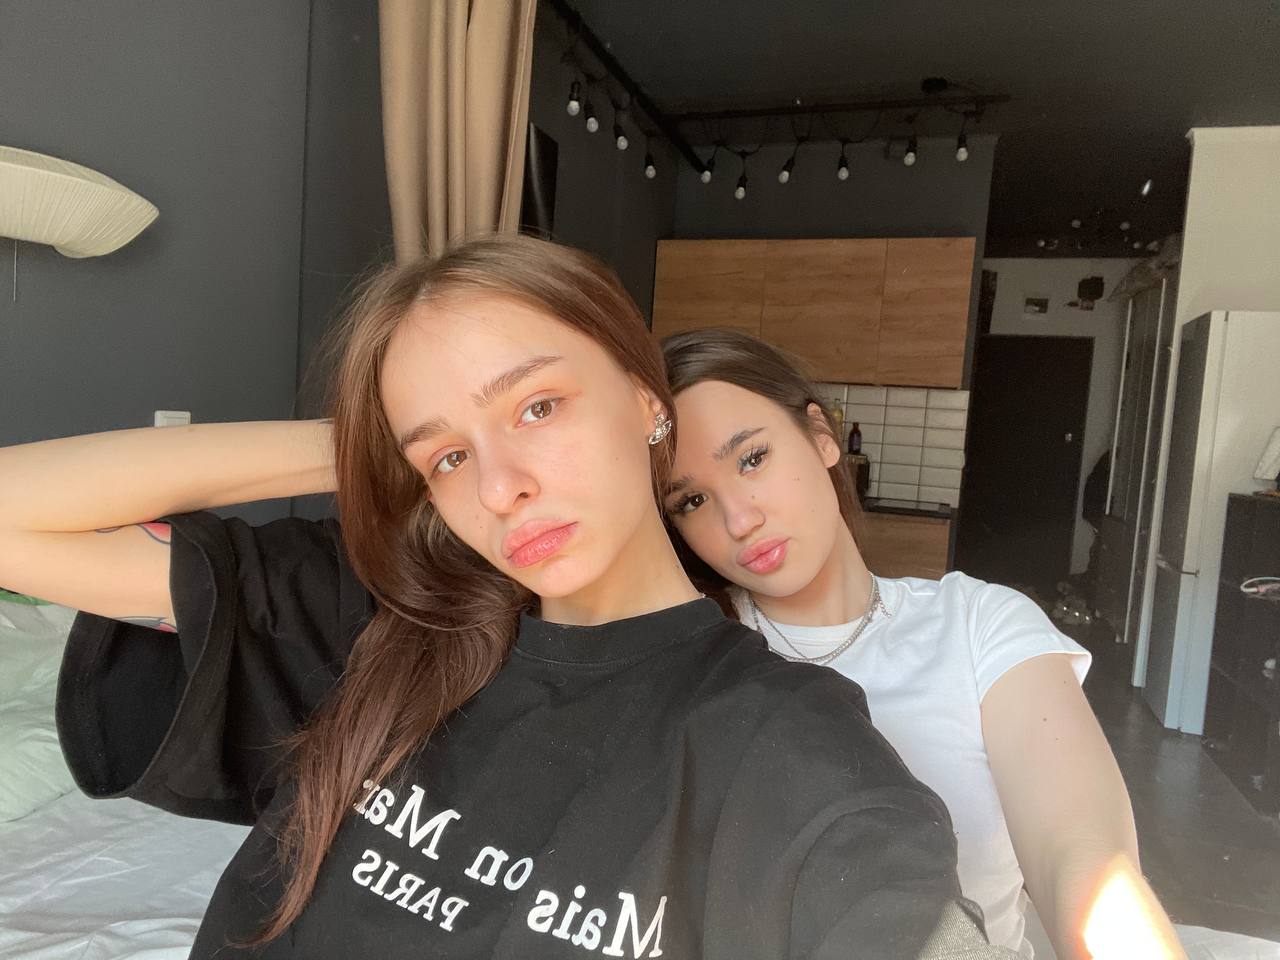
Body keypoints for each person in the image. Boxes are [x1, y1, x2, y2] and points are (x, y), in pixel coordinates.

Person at [0, 236, 1017, 959]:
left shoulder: (777, 747)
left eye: (536, 406)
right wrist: (359, 450)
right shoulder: (380, 616)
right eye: (446, 455)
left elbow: (879, 892)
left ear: (645, 400)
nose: (497, 487)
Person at [659, 328, 1184, 960]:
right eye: (692, 499)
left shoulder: (980, 626)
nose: (739, 520)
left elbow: (1083, 857)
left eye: (751, 459)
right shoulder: (689, 657)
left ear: (821, 436)